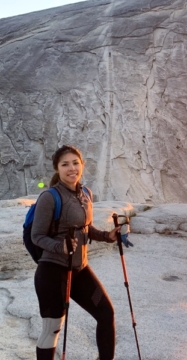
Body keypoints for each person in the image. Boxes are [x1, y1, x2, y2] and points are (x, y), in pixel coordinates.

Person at [32, 145, 120, 360]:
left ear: (82, 165)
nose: (71, 168)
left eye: (75, 163)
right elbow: (37, 236)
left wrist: (106, 236)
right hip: (52, 272)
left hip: (79, 269)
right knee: (52, 328)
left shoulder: (85, 193)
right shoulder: (49, 197)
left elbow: (86, 228)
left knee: (106, 313)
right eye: (65, 164)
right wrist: (59, 246)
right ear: (57, 169)